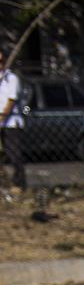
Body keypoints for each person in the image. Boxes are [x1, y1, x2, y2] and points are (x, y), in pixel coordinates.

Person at [0, 53, 24, 191]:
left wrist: (2, 117)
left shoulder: (11, 78)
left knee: (14, 153)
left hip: (10, 122)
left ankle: (18, 183)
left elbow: (11, 100)